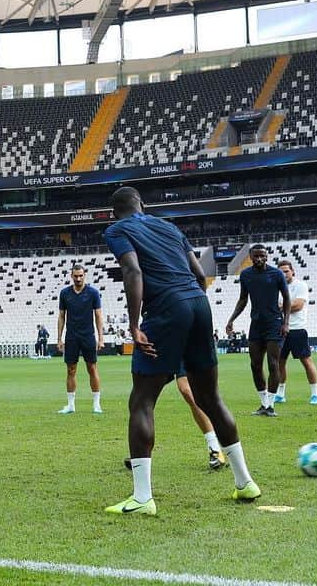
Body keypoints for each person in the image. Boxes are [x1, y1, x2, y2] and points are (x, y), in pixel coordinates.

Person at [103, 187, 259, 515]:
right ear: (142, 204)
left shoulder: (118, 229)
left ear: (113, 212)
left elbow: (133, 271)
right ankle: (245, 483)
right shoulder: (170, 227)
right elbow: (201, 275)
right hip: (199, 302)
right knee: (210, 398)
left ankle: (143, 498)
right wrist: (190, 306)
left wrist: (134, 324)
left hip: (166, 309)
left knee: (142, 401)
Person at [225, 244, 290, 416]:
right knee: (255, 365)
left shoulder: (276, 274)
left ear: (267, 256)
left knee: (273, 364)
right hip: (256, 324)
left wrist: (286, 323)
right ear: (251, 257)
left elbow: (287, 298)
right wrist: (231, 319)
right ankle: (263, 403)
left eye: (262, 255)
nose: (259, 258)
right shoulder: (246, 275)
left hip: (274, 323)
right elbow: (243, 299)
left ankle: (271, 406)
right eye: (256, 256)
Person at [56, 265, 104, 414]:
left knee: (92, 368)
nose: (78, 278)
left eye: (80, 276)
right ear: (71, 276)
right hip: (71, 337)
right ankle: (70, 406)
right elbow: (61, 316)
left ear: (85, 275)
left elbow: (98, 316)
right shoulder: (64, 293)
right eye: (75, 276)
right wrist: (59, 338)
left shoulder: (93, 293)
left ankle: (96, 404)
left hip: (88, 336)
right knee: (71, 370)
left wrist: (101, 338)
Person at [274, 260, 317, 405]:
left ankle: (315, 394)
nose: (284, 274)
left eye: (286, 271)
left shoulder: (300, 285)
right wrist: (286, 306)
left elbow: (298, 305)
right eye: (280, 272)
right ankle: (281, 394)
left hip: (297, 329)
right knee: (279, 363)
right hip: (280, 330)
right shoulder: (275, 287)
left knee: (306, 361)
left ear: (292, 271)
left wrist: (281, 307)